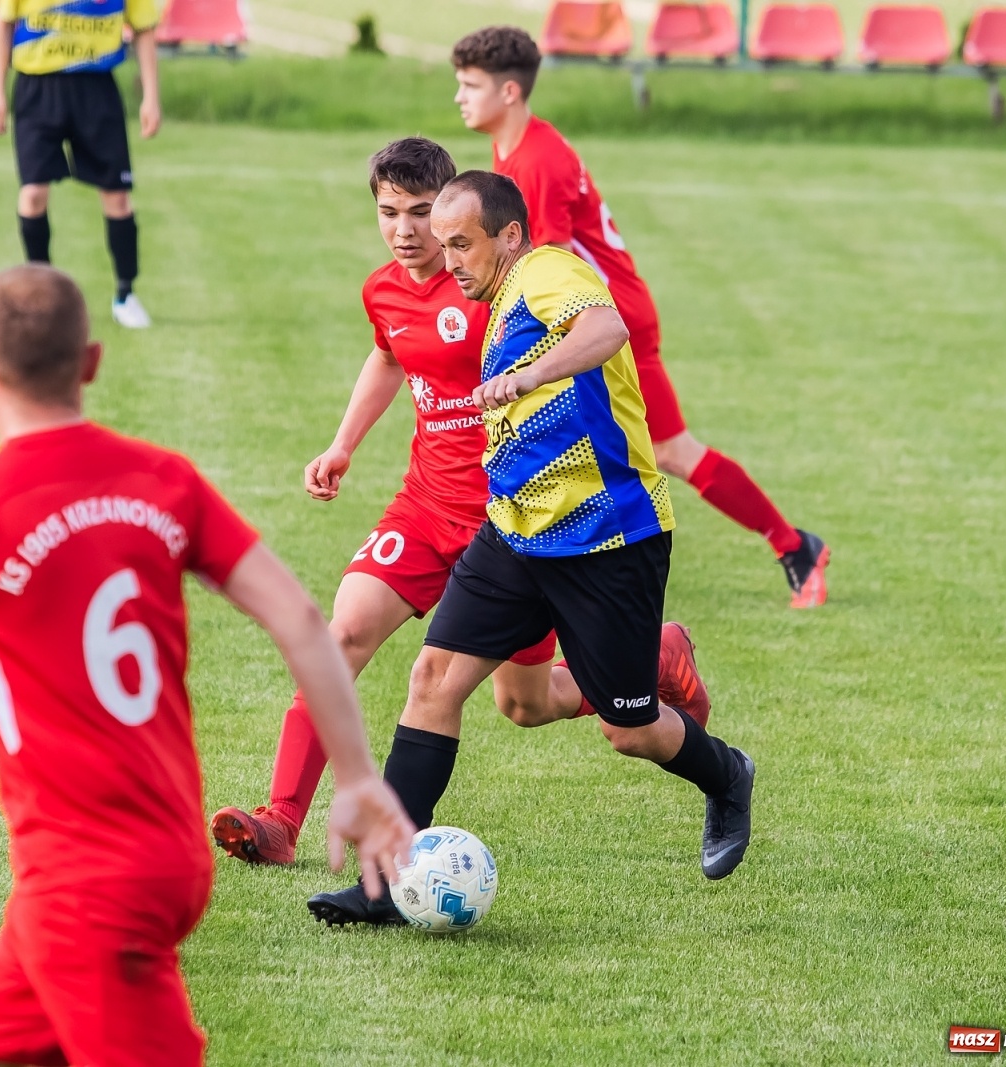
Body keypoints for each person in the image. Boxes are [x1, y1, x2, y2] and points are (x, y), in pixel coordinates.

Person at [0, 265, 413, 1067]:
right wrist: (355, 775)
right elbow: (300, 620)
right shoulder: (162, 480)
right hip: (141, 859)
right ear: (90, 362)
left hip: (88, 882)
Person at [209, 138, 711, 868]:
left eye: (421, 213)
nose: (406, 231)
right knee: (342, 636)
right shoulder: (383, 290)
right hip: (425, 506)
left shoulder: (495, 290)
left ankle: (655, 659)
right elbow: (390, 351)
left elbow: (588, 332)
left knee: (525, 704)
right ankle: (280, 818)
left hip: (512, 526)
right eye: (389, 212)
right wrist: (343, 443)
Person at [308, 173, 755, 928]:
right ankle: (382, 885)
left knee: (630, 728)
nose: (447, 260)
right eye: (443, 243)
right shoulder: (491, 296)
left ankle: (727, 773)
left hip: (607, 539)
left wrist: (531, 376)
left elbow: (606, 329)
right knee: (433, 680)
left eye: (461, 243)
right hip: (514, 532)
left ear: (509, 236)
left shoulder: (547, 271)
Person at [451, 26, 829, 609]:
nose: (459, 97)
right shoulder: (519, 148)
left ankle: (795, 546)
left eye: (470, 85)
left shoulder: (537, 163)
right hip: (599, 318)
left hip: (606, 324)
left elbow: (544, 272)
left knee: (671, 450)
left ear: (508, 91)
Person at [0, 0, 161, 329]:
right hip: (36, 89)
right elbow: (3, 24)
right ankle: (41, 297)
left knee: (117, 196)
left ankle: (126, 295)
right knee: (33, 193)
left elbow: (144, 30)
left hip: (96, 89)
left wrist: (151, 97)